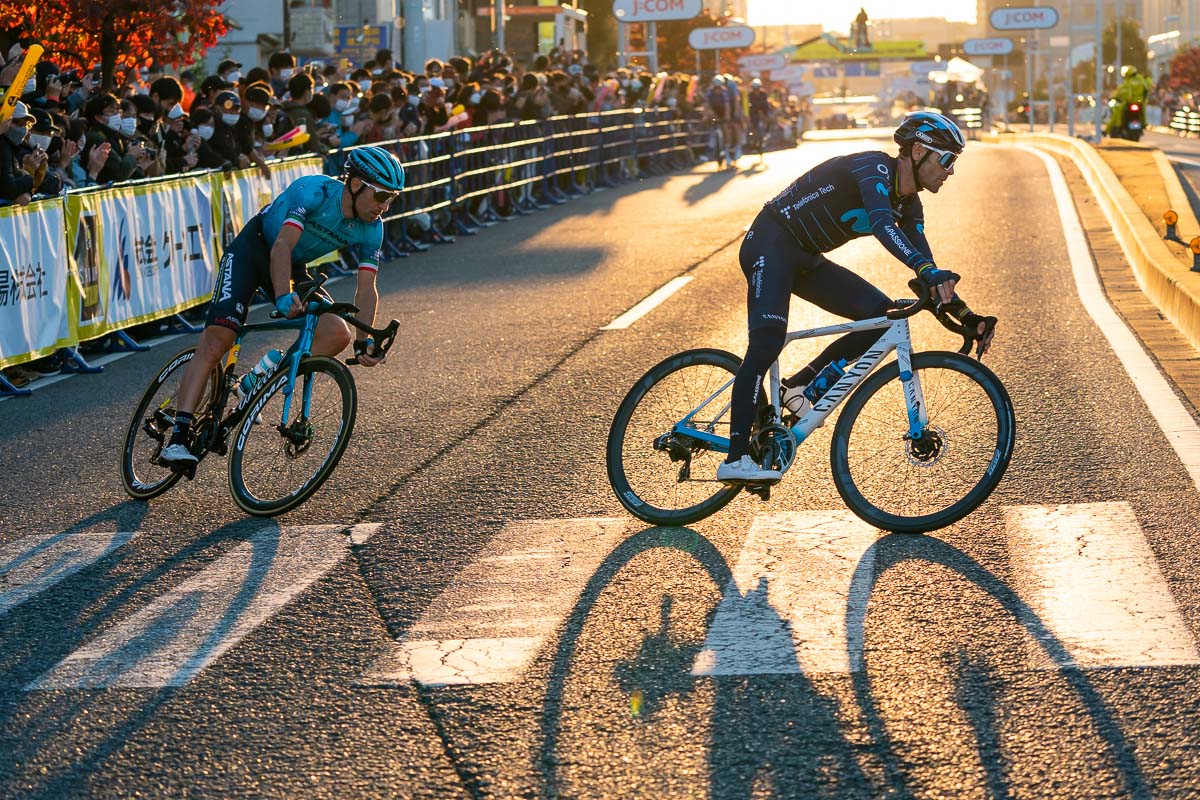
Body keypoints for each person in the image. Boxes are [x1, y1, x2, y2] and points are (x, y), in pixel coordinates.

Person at [716, 111, 995, 483]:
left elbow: (927, 267)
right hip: (771, 243)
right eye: (946, 160)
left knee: (882, 317)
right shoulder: (873, 168)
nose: (950, 171)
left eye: (953, 162)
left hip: (806, 259)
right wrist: (927, 271)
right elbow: (881, 223)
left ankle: (798, 386)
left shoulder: (910, 205)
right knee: (767, 343)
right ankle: (735, 458)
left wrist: (966, 316)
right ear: (916, 151)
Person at [158, 146, 406, 464]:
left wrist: (363, 344)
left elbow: (366, 288)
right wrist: (282, 297)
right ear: (356, 184)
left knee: (337, 333)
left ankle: (260, 379)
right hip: (255, 250)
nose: (385, 206)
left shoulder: (372, 227)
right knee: (219, 338)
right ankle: (177, 439)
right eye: (382, 195)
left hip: (294, 266)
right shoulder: (313, 192)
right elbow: (282, 245)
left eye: (392, 199)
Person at [1105, 65, 1154, 137]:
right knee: (1142, 113)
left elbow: (1120, 92)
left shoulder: (1127, 82)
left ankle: (1115, 128)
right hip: (1139, 102)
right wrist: (1144, 99)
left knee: (1118, 112)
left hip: (1129, 103)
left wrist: (1113, 97)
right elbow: (1146, 89)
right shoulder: (1141, 79)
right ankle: (1143, 125)